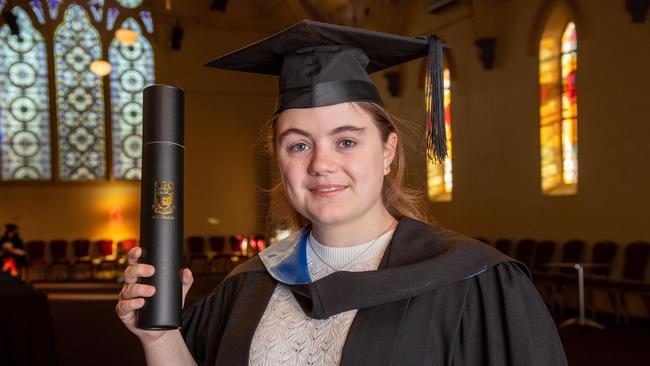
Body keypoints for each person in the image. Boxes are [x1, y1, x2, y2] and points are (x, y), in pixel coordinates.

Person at [116, 20, 567, 365]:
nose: (321, 163)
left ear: (388, 150)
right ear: (279, 159)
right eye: (298, 144)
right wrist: (159, 336)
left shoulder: (475, 282)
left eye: (346, 140)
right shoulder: (251, 284)